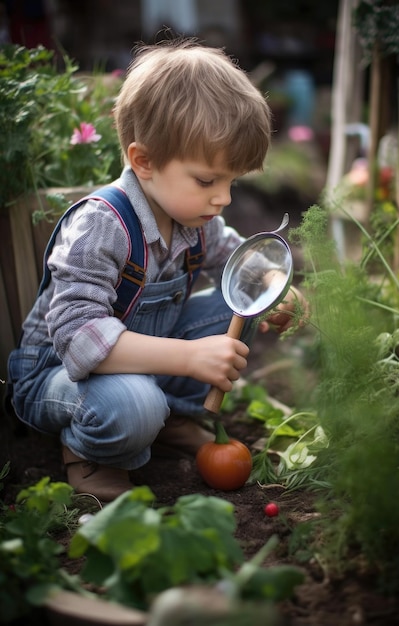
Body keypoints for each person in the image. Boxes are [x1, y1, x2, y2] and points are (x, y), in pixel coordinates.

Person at [7, 37, 307, 502]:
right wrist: (189, 358)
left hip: (137, 364)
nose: (223, 198)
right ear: (143, 161)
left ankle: (168, 421)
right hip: (60, 377)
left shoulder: (192, 218)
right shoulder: (103, 226)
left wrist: (272, 288)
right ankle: (87, 452)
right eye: (208, 180)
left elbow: (238, 260)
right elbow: (78, 339)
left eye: (231, 182)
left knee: (237, 311)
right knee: (132, 405)